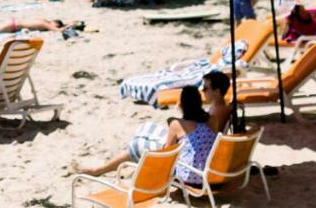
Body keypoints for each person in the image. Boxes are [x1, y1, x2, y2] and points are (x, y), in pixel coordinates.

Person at [73, 78, 225, 184]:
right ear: (199, 103)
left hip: (190, 177)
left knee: (138, 145)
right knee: (147, 135)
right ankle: (123, 159)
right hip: (209, 172)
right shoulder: (212, 120)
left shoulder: (177, 125)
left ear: (183, 104)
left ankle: (100, 169)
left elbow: (166, 156)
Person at [0, 17, 83, 39]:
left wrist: (69, 22)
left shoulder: (44, 20)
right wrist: (70, 25)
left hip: (13, 22)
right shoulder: (46, 24)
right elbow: (59, 30)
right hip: (13, 26)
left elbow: (59, 24)